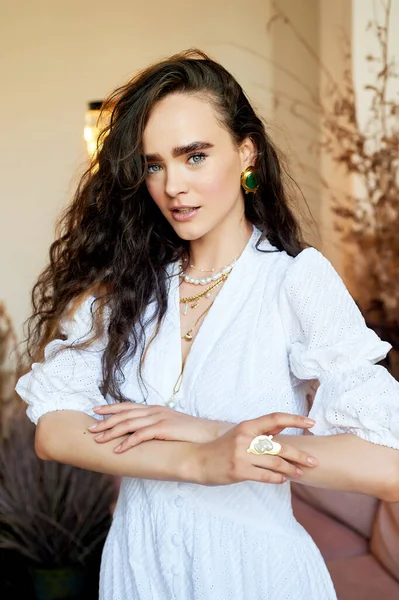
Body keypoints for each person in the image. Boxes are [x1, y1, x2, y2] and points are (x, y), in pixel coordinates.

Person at [16, 49, 399, 600]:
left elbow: (386, 464)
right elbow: (55, 430)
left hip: (253, 574)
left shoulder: (295, 284)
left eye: (194, 156)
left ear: (247, 152)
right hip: (137, 568)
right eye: (154, 164)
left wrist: (215, 435)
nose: (173, 185)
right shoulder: (128, 288)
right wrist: (198, 459)